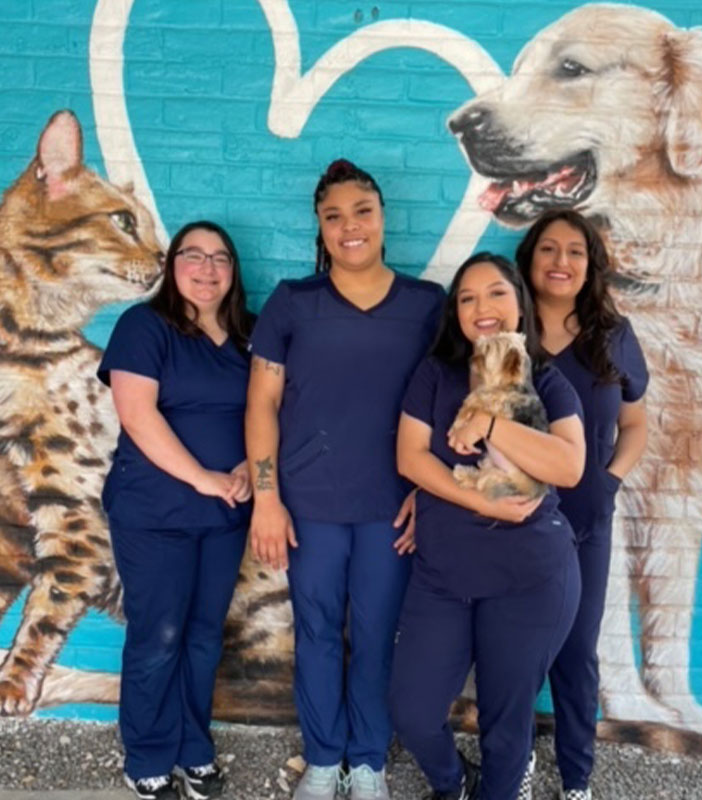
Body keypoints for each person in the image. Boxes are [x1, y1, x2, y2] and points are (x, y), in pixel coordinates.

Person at [246, 159, 445, 800]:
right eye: (333, 216)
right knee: (318, 634)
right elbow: (261, 406)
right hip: (310, 506)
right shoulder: (292, 303)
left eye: (362, 211)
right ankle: (324, 759)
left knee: (378, 635)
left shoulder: (426, 306)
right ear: (320, 228)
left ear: (383, 219)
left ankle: (368, 763)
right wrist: (267, 499)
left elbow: (447, 403)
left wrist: (428, 489)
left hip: (391, 506)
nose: (348, 226)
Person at [388, 252, 585, 800]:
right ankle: (454, 785)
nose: (483, 308)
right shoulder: (436, 374)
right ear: (456, 313)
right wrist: (482, 501)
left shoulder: (548, 382)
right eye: (467, 298)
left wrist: (492, 423)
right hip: (443, 577)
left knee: (507, 725)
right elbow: (410, 458)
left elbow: (568, 465)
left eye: (496, 293)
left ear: (519, 304)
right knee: (414, 710)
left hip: (530, 578)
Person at [99, 221, 253, 800]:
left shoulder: (247, 336)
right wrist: (205, 478)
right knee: (158, 634)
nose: (207, 268)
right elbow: (138, 416)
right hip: (154, 513)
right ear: (172, 265)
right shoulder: (144, 326)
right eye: (194, 255)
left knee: (204, 636)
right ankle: (147, 754)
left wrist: (245, 470)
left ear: (233, 272)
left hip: (224, 515)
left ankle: (193, 746)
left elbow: (267, 413)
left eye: (220, 258)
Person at [514, 209, 649, 800]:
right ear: (530, 259)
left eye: (575, 251)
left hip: (586, 524)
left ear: (591, 265)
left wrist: (610, 481)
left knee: (575, 656)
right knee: (513, 652)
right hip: (511, 522)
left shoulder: (613, 335)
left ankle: (576, 780)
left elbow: (636, 425)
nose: (560, 261)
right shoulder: (506, 331)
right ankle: (509, 764)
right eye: (548, 249)